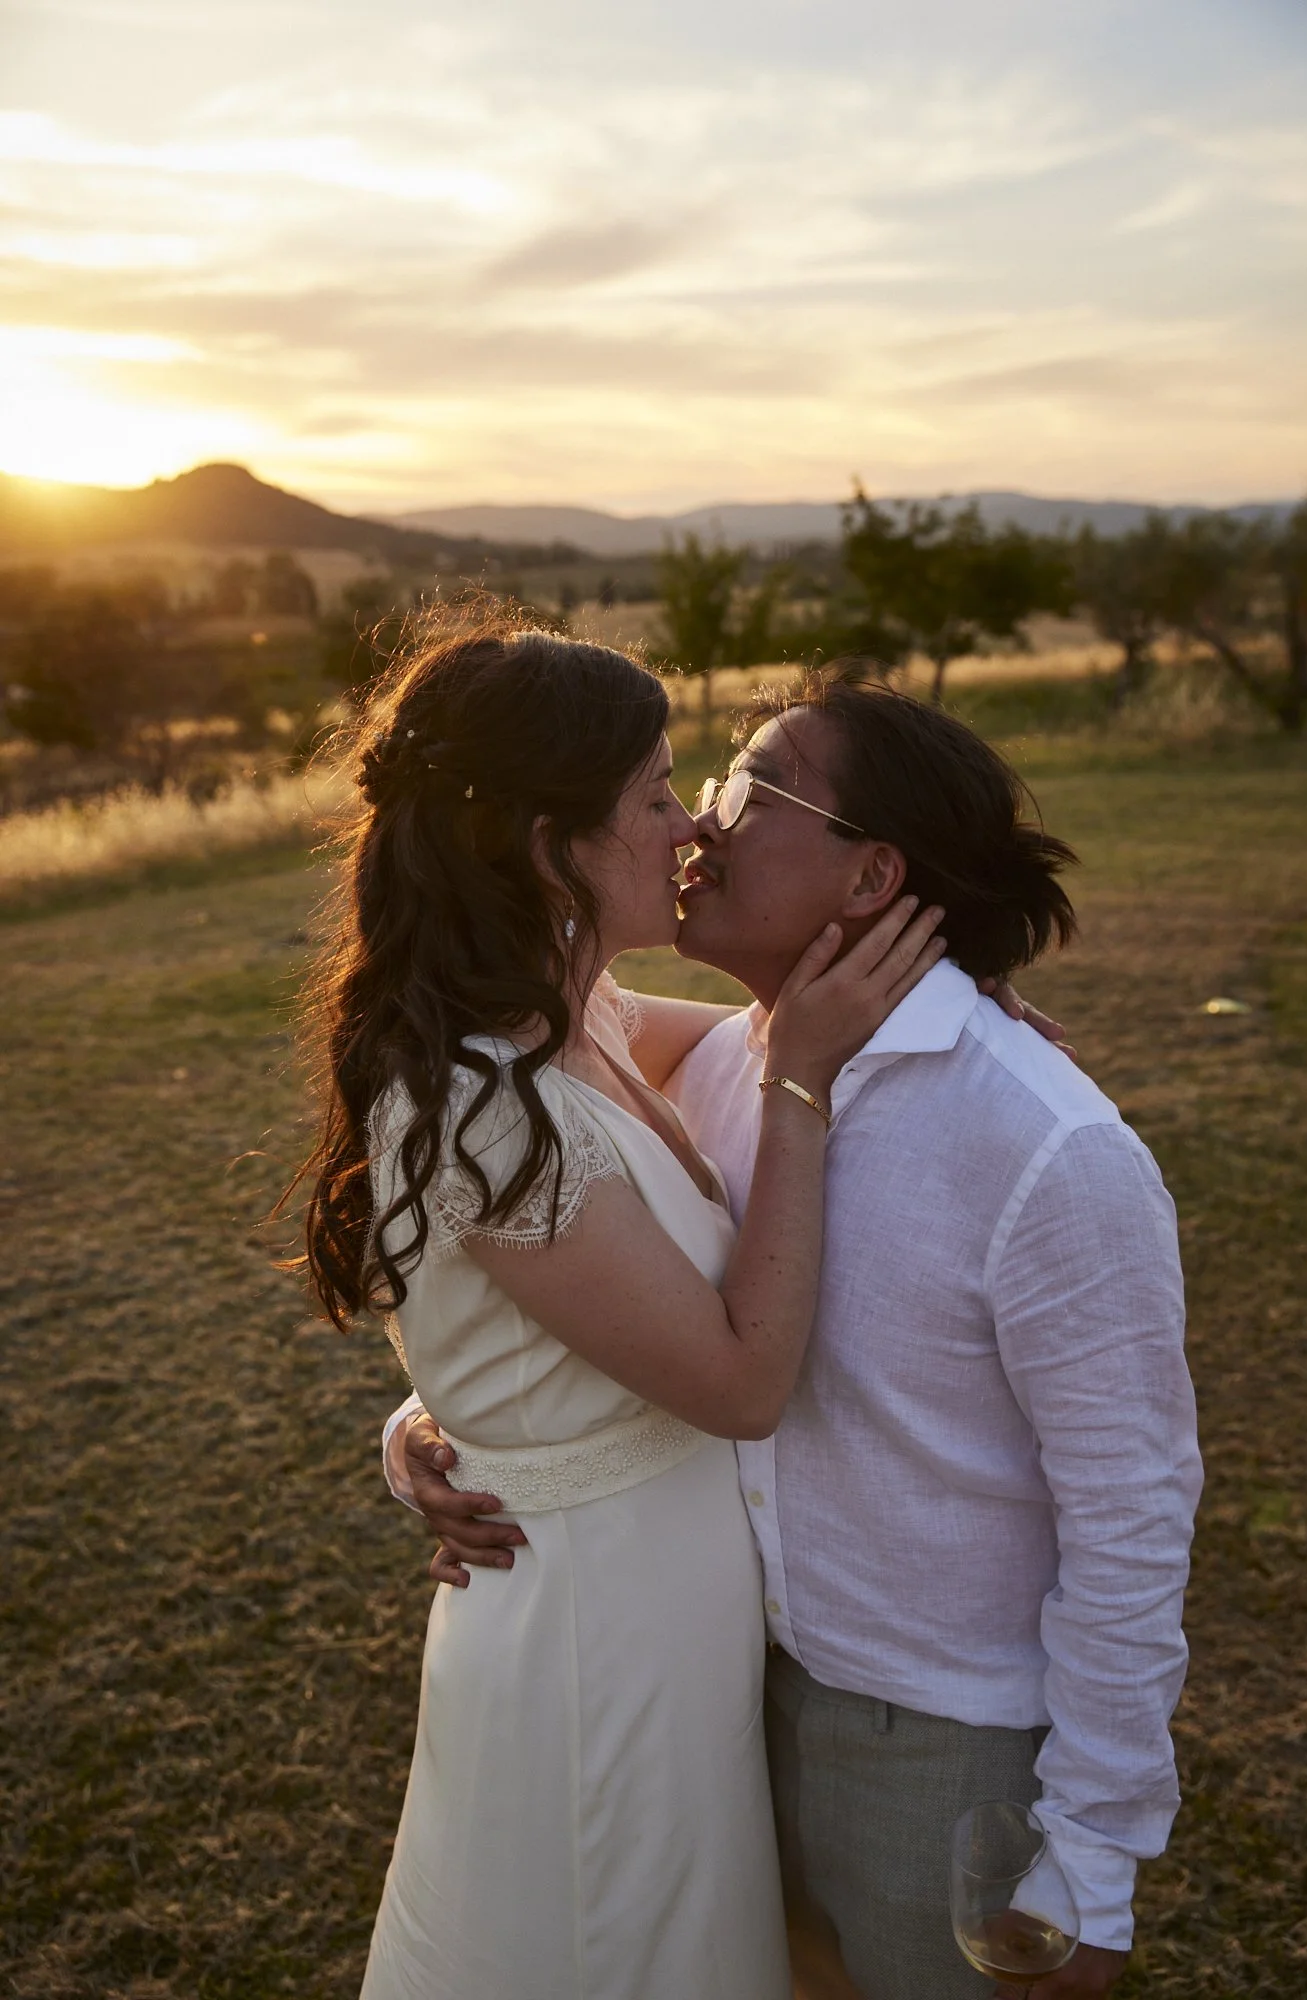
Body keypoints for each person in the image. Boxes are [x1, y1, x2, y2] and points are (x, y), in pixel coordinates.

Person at [395, 671, 1203, 2000]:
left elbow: (1131, 1514)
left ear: (870, 880)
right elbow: (599, 1293)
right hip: (716, 1705)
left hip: (936, 1753)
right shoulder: (734, 1067)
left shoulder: (1047, 1149)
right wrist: (448, 1424)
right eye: (688, 787)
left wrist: (1093, 1859)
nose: (699, 824)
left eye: (744, 789)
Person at [294, 615, 948, 2000]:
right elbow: (738, 1382)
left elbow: (726, 1032)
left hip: (656, 1596)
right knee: (607, 1938)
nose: (692, 827)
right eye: (653, 795)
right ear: (547, 846)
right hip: (597, 1625)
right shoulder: (477, 1100)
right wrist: (804, 1090)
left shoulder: (566, 1011)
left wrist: (955, 1005)